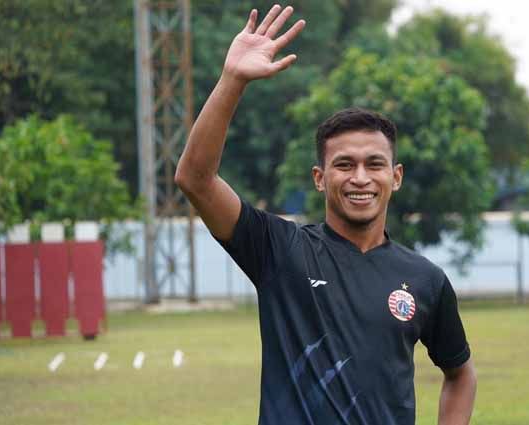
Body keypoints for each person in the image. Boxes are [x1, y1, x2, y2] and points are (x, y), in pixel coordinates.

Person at [175, 5, 476, 424]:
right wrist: (233, 80)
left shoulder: (425, 279)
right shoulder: (279, 251)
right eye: (343, 164)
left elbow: (460, 374)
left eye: (374, 164)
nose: (360, 178)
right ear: (319, 177)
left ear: (396, 176)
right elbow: (194, 178)